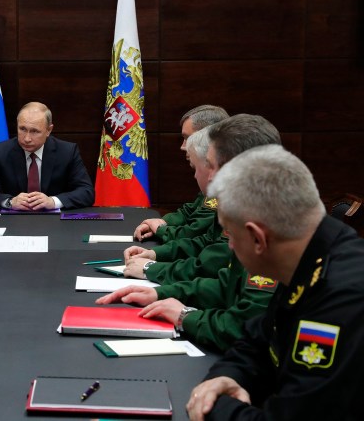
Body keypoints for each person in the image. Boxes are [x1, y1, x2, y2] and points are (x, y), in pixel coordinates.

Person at [187, 145, 364, 420]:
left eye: (230, 235)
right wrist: (224, 377)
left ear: (258, 238)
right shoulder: (310, 256)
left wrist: (213, 406)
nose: (230, 246)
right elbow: (257, 338)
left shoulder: (341, 298)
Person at [95, 115, 282, 351]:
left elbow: (244, 327)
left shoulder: (271, 223)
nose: (207, 176)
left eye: (211, 166)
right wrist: (161, 293)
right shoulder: (249, 209)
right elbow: (228, 286)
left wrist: (184, 316)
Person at [123, 114, 281, 284]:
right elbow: (207, 246)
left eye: (213, 166)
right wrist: (156, 255)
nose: (211, 177)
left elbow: (210, 268)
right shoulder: (241, 205)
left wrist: (152, 268)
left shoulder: (263, 216)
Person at [0, 102, 94, 210]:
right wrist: (10, 202)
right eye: (22, 129)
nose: (27, 138)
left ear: (48, 130)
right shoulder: (0, 151)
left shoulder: (67, 152)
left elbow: (86, 192)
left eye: (35, 131)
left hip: (55, 224)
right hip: (13, 223)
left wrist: (53, 201)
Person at [134, 105, 228, 242]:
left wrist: (160, 229)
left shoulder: (221, 179)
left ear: (207, 138)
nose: (183, 146)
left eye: (187, 138)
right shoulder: (211, 172)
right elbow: (190, 211)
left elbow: (196, 231)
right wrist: (163, 222)